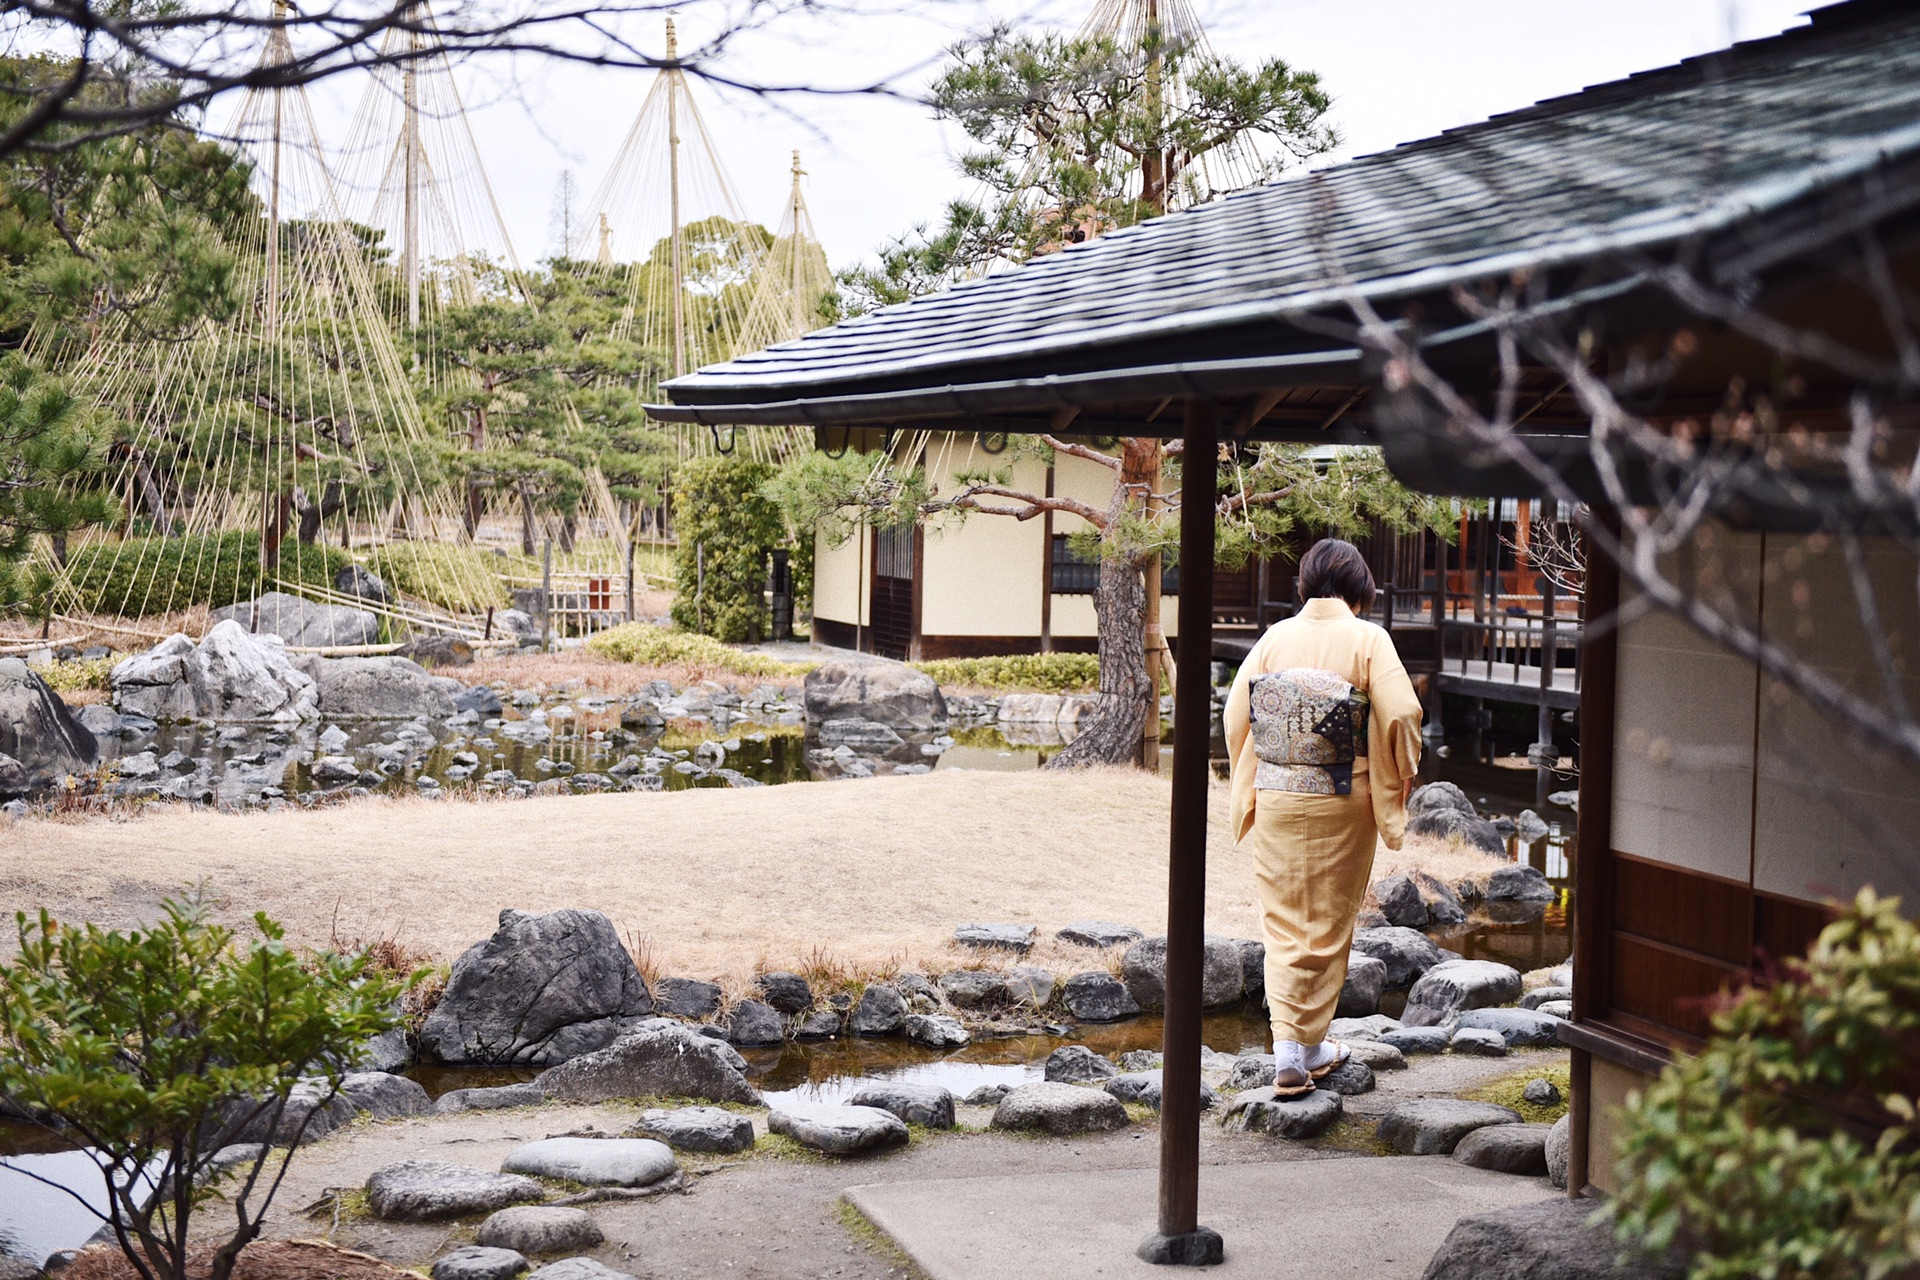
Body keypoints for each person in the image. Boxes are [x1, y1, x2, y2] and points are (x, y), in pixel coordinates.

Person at [1222, 538, 1423, 1093]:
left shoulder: (1274, 638)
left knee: (1284, 920)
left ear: (1305, 585)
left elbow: (1235, 716)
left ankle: (1294, 1049)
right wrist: (1399, 763)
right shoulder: (1368, 639)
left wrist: (1267, 764)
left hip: (1280, 798)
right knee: (1330, 922)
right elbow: (1403, 711)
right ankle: (1306, 1045)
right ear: (1361, 589)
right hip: (1344, 798)